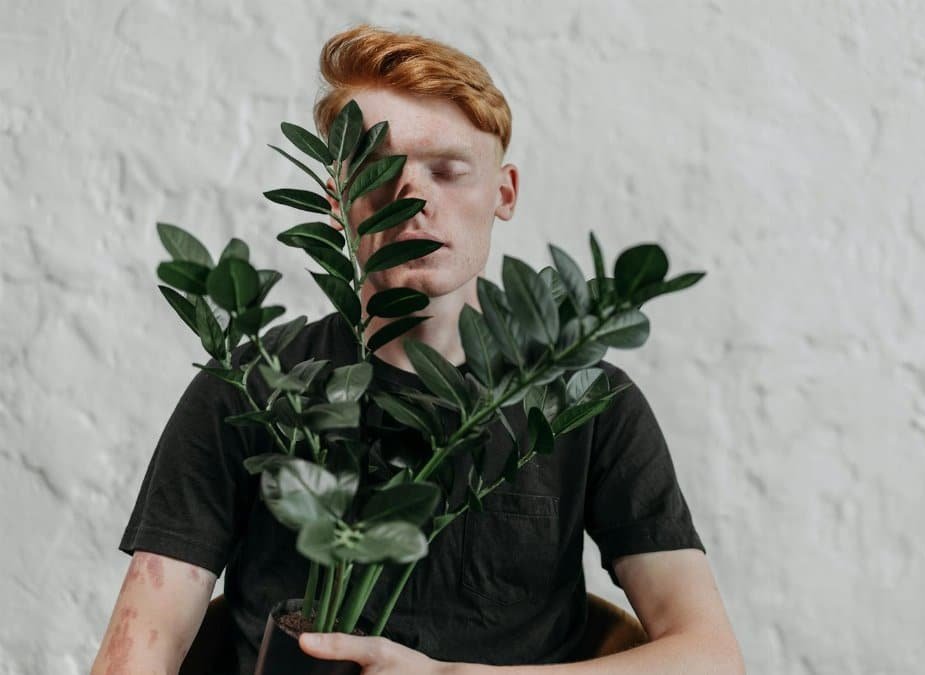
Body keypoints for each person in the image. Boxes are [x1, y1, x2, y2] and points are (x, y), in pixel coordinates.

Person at [92, 24, 744, 674]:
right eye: (377, 169)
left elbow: (711, 657)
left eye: (448, 170)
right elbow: (133, 655)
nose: (412, 199)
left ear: (504, 192)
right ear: (337, 202)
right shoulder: (250, 383)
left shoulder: (589, 402)